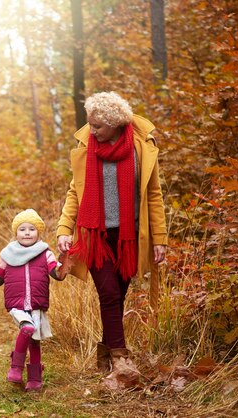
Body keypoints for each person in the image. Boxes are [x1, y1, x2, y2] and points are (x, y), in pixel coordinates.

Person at [56, 91, 167, 372]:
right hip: (95, 236)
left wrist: (160, 238)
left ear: (115, 123)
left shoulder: (140, 147)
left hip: (130, 237)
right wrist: (64, 229)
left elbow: (153, 194)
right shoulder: (87, 146)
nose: (92, 131)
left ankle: (105, 354)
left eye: (98, 126)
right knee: (108, 293)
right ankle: (121, 359)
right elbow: (74, 191)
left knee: (118, 294)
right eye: (91, 124)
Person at [0, 209, 65, 392]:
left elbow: (56, 273)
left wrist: (66, 266)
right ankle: (16, 368)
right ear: (15, 232)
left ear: (38, 232)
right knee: (28, 328)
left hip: (36, 304)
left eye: (31, 229)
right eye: (22, 229)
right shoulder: (8, 255)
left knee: (35, 341)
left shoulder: (45, 253)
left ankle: (34, 379)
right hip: (16, 305)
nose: (26, 232)